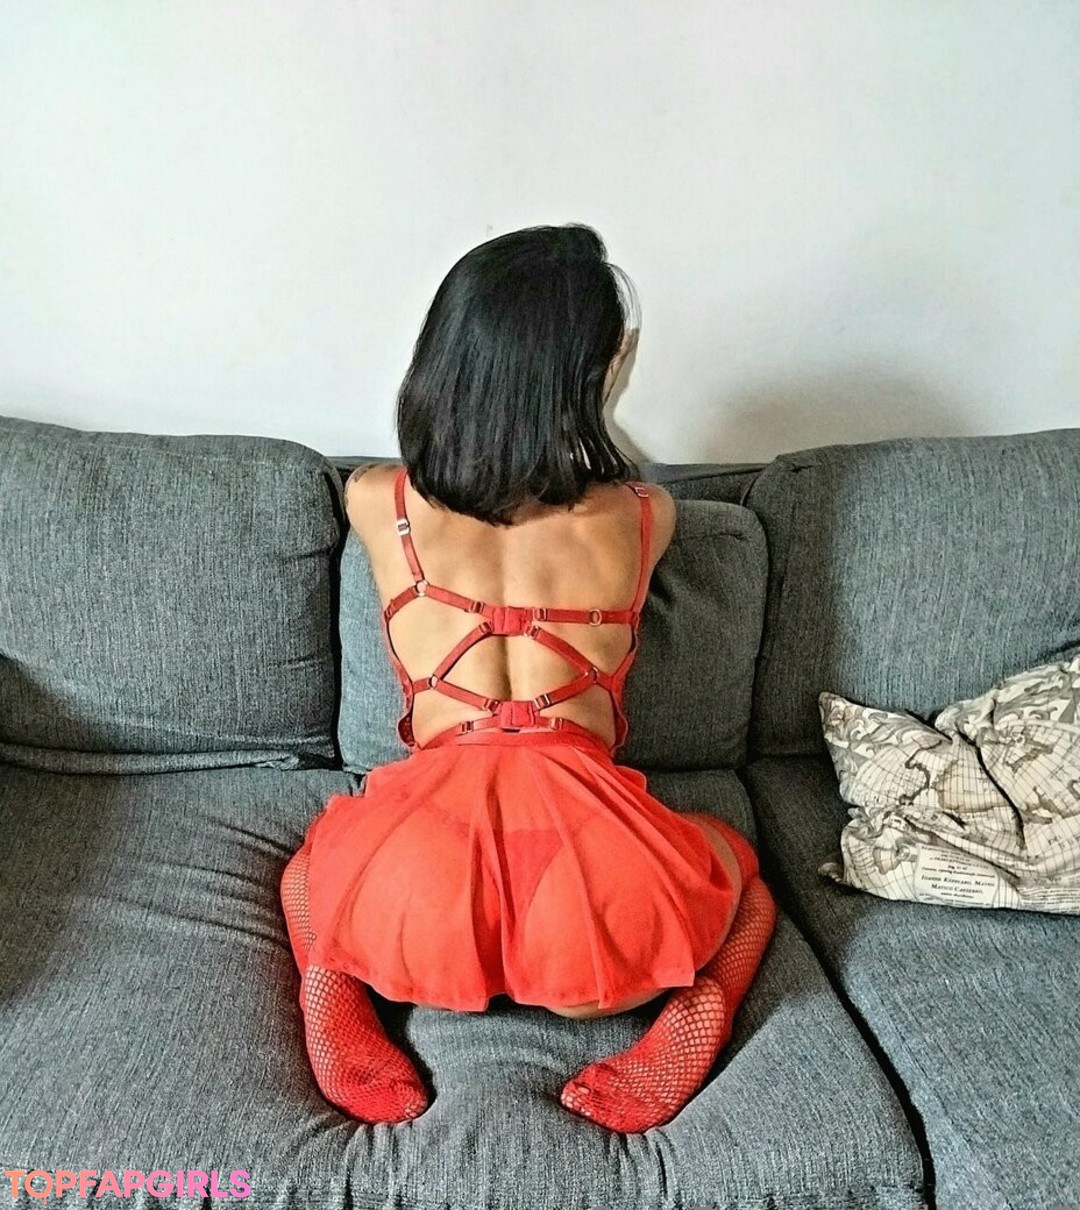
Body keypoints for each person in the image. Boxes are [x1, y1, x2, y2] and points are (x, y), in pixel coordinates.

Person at [280, 223, 777, 1134]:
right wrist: (593, 399)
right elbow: (593, 468)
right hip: (597, 926)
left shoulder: (377, 501)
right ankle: (698, 1008)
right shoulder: (645, 514)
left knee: (312, 871)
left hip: (416, 914)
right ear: (590, 376)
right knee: (738, 871)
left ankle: (332, 989)